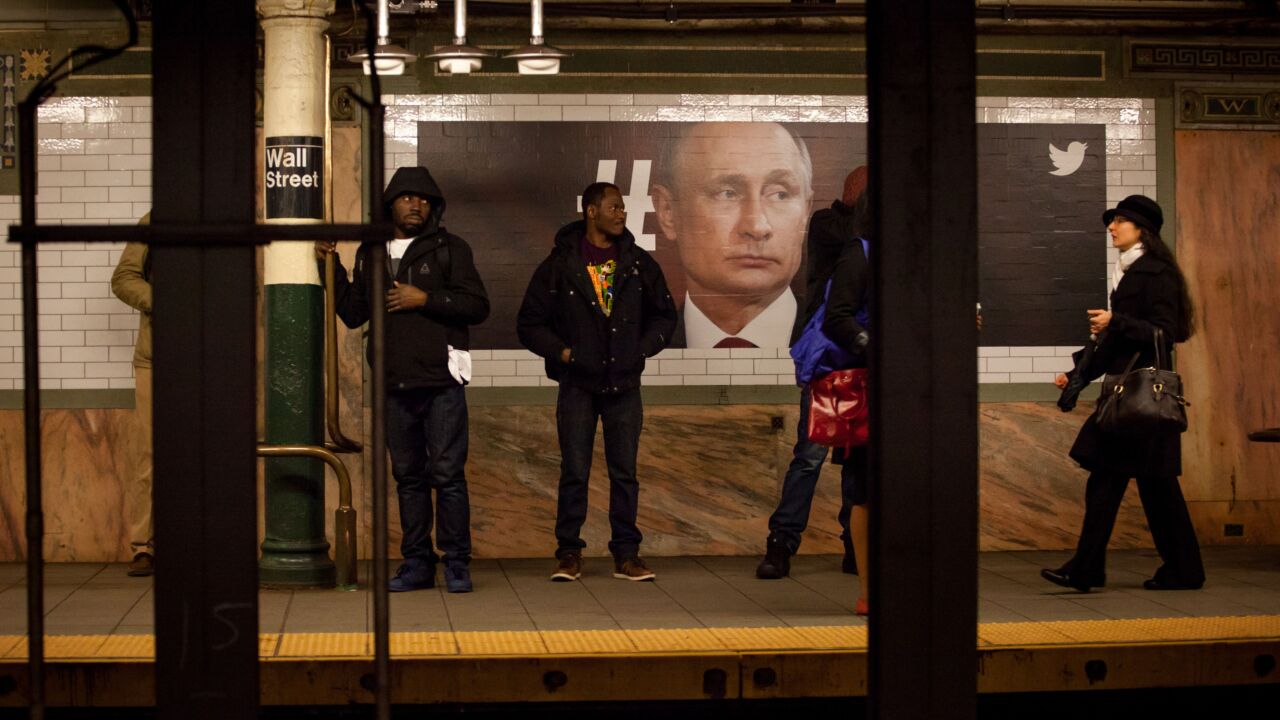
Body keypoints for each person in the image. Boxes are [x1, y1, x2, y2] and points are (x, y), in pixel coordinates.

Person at [318, 166, 490, 593]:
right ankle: (417, 563)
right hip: (394, 384)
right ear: (390, 203)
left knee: (448, 475)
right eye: (408, 197)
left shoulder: (450, 249)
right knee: (408, 478)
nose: (417, 205)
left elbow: (477, 306)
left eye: (425, 199)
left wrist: (425, 298)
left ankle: (456, 563)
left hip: (443, 382)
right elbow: (355, 312)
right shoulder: (369, 253)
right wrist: (331, 265)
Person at [1042, 194, 1205, 593]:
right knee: (1137, 483)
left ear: (1141, 228)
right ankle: (1098, 567)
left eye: (1119, 221)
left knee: (1132, 483)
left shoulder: (1156, 273)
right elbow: (1118, 342)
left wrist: (1118, 320)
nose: (1111, 228)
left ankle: (1094, 568)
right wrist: (1075, 371)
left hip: (1142, 397)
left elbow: (1168, 332)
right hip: (1130, 396)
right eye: (1111, 222)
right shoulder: (1131, 272)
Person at [517, 182, 677, 582]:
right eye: (614, 206)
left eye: (622, 207)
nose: (622, 213)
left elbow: (665, 317)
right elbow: (529, 324)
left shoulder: (639, 263)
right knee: (575, 470)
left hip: (624, 385)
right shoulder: (560, 264)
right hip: (577, 386)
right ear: (591, 211)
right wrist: (566, 353)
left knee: (625, 473)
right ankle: (569, 554)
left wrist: (641, 349)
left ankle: (627, 555)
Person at [756, 169, 868, 580]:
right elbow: (852, 235)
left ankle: (855, 547)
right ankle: (781, 543)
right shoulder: (829, 225)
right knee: (810, 455)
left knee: (858, 460)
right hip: (829, 362)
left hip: (862, 363)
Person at [652, 122, 813, 348]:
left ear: (806, 212)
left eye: (780, 194)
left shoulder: (853, 345)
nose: (757, 227)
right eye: (727, 194)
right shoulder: (636, 348)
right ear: (667, 211)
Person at [820, 220, 874, 616]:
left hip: (920, 388)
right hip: (873, 389)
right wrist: (880, 348)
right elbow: (836, 317)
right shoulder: (863, 252)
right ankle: (868, 592)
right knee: (866, 492)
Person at [111, 212, 154, 577]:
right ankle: (144, 545)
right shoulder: (155, 222)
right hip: (156, 359)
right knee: (149, 453)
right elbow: (123, 279)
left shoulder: (224, 220)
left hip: (209, 357)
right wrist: (164, 299)